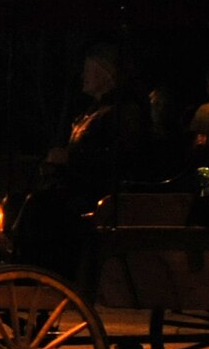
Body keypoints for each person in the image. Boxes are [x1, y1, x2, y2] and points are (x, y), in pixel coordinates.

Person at [13, 42, 152, 272]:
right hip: (80, 185)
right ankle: (25, 265)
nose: (83, 75)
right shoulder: (94, 111)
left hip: (99, 191)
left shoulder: (124, 111)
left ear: (105, 72)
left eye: (88, 69)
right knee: (25, 199)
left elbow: (122, 158)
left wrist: (69, 159)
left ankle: (40, 271)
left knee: (41, 205)